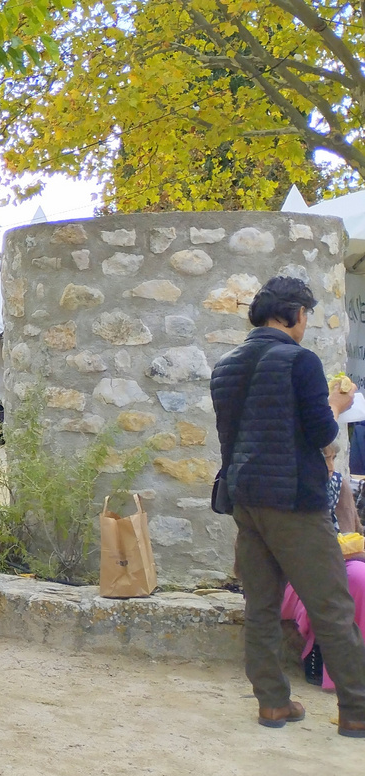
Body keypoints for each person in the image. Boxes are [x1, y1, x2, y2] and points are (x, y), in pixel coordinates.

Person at [211, 275, 365, 737]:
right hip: (295, 502)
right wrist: (336, 403)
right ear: (296, 314)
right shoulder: (300, 361)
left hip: (245, 500)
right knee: (331, 606)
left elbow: (233, 438)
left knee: (261, 604)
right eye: (306, 316)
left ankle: (273, 703)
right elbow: (321, 434)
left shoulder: (225, 366)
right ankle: (357, 709)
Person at [280, 438, 365, 690]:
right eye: (323, 459)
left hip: (342, 566)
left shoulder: (339, 485)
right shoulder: (286, 489)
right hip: (295, 575)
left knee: (359, 575)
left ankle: (354, 662)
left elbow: (355, 532)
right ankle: (323, 657)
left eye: (332, 458)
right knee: (332, 582)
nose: (330, 466)